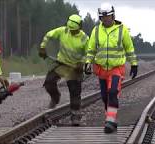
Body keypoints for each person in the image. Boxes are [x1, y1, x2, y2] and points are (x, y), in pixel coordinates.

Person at [85, 2, 138, 133]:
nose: (105, 19)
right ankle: (111, 120)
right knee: (104, 96)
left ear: (113, 15)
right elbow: (91, 49)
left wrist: (134, 64)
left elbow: (129, 48)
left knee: (113, 92)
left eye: (107, 16)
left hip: (116, 68)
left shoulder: (122, 29)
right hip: (101, 69)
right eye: (102, 17)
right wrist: (87, 62)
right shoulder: (96, 30)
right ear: (100, 17)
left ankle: (109, 121)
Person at [39, 14, 89, 126]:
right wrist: (43, 46)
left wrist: (82, 63)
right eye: (70, 30)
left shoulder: (85, 38)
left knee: (74, 91)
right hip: (61, 63)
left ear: (80, 28)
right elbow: (48, 35)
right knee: (49, 82)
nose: (71, 32)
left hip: (75, 67)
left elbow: (89, 53)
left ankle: (75, 115)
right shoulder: (63, 31)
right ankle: (55, 97)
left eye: (74, 31)